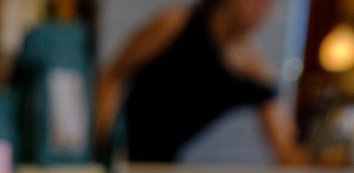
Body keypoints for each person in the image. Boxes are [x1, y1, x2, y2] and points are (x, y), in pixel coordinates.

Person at [97, 0, 303, 164]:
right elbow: (112, 75)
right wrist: (99, 140)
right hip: (113, 154)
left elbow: (286, 151)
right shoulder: (174, 24)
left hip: (157, 170)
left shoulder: (254, 70)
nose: (262, 9)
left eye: (269, 3)